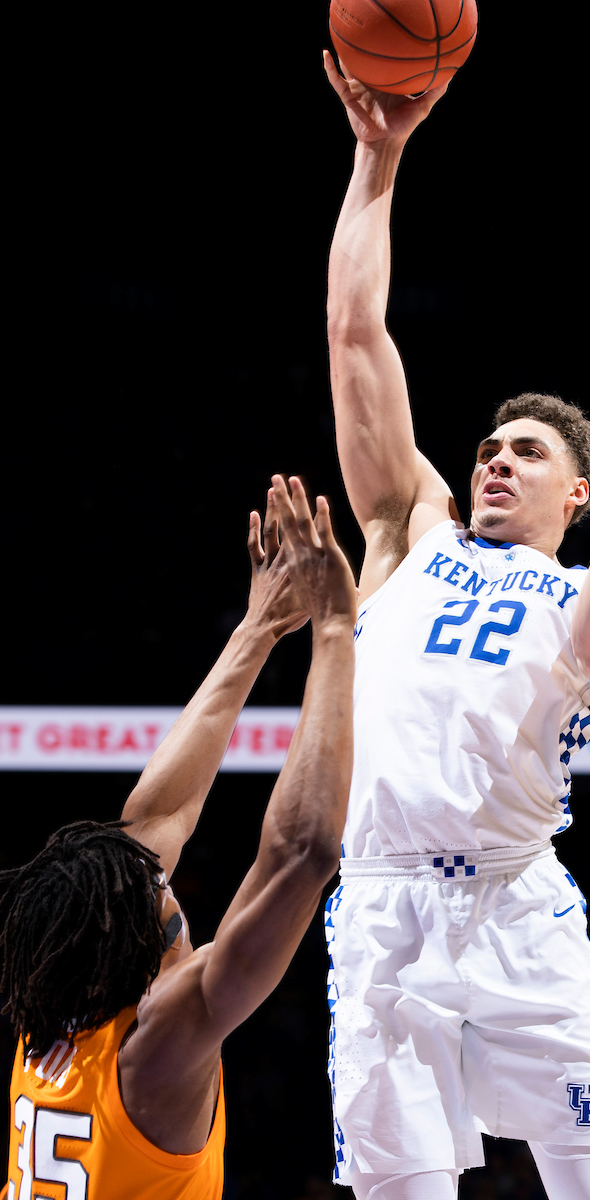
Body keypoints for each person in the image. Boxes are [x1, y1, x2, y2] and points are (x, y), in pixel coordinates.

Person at [322, 50, 590, 1200]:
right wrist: (376, 157)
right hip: (383, 910)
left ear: (572, 495)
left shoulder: (586, 589)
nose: (494, 455)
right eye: (489, 442)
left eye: (526, 451)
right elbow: (353, 336)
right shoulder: (409, 531)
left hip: (518, 904)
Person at [1, 476, 357, 1200]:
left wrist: (258, 628)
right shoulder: (156, 1046)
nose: (166, 875)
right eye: (158, 890)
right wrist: (331, 630)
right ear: (145, 939)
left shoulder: (58, 1008)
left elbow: (152, 821)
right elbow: (304, 855)